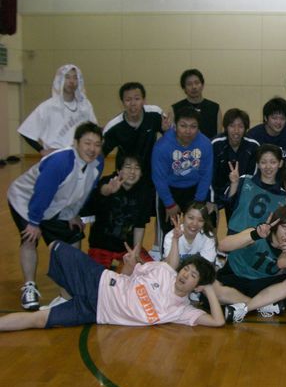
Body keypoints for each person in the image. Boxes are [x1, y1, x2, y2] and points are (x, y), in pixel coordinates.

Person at [0, 241, 225, 331]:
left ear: (197, 287)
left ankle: (67, 295)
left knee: (38, 320)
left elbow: (218, 321)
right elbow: (124, 276)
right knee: (55, 247)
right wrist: (128, 265)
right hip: (98, 281)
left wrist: (209, 287)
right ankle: (67, 293)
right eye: (186, 269)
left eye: (193, 275)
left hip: (95, 312)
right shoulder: (164, 270)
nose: (185, 274)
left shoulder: (182, 310)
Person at [7, 122, 105, 310]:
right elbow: (42, 192)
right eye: (87, 143)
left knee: (73, 236)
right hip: (26, 200)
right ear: (76, 143)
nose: (92, 149)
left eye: (97, 144)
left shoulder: (97, 163)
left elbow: (84, 191)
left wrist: (73, 213)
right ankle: (29, 287)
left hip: (54, 203)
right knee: (30, 238)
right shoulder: (60, 161)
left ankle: (70, 288)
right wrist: (34, 222)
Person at [213, 206, 286, 322]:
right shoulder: (258, 233)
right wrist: (255, 235)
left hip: (262, 286)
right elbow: (222, 246)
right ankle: (261, 306)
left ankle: (245, 308)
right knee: (212, 288)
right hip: (235, 277)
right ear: (276, 225)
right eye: (285, 227)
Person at [101, 82, 168, 212]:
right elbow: (100, 155)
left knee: (151, 213)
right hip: (127, 178)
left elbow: (172, 138)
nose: (133, 103)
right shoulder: (114, 127)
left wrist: (167, 131)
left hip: (151, 174)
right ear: (122, 102)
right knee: (128, 214)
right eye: (128, 100)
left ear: (144, 100)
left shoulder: (155, 114)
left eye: (137, 99)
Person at [82, 153, 154, 269]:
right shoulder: (109, 181)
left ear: (141, 173)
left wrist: (135, 253)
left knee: (151, 269)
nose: (132, 172)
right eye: (128, 167)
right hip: (101, 246)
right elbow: (101, 192)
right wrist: (108, 190)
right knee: (98, 276)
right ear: (118, 170)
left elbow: (140, 226)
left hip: (127, 248)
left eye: (137, 168)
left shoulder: (144, 191)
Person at [152, 107, 213, 236]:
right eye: (183, 126)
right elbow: (159, 178)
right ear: (175, 126)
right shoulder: (162, 146)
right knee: (170, 233)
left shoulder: (205, 144)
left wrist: (199, 201)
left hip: (195, 190)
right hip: (169, 191)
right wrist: (169, 204)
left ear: (198, 127)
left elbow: (206, 174)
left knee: (197, 231)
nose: (188, 131)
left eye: (193, 126)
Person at [19, 64, 97, 155]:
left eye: (75, 78)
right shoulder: (48, 106)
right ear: (60, 80)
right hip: (56, 156)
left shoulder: (85, 105)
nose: (71, 81)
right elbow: (26, 131)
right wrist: (41, 150)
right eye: (67, 77)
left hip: (80, 155)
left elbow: (94, 129)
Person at [225, 144, 286, 235]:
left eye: (273, 162)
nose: (268, 166)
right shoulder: (244, 180)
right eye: (263, 162)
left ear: (280, 163)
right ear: (258, 164)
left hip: (262, 243)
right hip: (235, 238)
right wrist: (234, 183)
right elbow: (229, 204)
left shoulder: (284, 198)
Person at [211, 109, 259, 217]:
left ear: (246, 128)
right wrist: (211, 200)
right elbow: (208, 175)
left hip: (241, 192)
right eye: (232, 126)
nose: (236, 131)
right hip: (216, 190)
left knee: (236, 222)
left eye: (240, 126)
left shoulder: (253, 146)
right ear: (226, 127)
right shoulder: (215, 144)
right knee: (210, 219)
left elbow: (253, 178)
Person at [172, 68, 221, 140]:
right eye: (189, 84)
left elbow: (218, 136)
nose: (194, 87)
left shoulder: (215, 108)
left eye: (197, 83)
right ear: (184, 88)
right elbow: (172, 135)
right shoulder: (175, 108)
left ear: (202, 85)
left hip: (208, 146)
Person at [247, 97, 286, 164]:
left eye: (282, 118)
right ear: (266, 118)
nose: (278, 122)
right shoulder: (253, 136)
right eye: (274, 118)